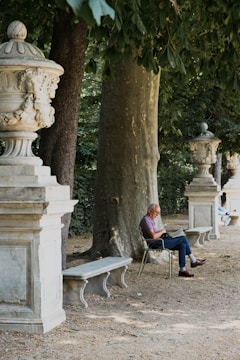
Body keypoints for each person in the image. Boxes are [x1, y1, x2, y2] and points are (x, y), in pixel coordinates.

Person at [140, 203, 206, 277]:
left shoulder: (150, 220)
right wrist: (162, 231)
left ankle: (182, 270)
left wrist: (162, 232)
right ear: (149, 210)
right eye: (156, 212)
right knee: (183, 238)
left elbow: (155, 234)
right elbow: (154, 236)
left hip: (161, 240)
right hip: (156, 243)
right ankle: (193, 260)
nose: (157, 215)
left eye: (158, 213)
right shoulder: (146, 220)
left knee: (182, 245)